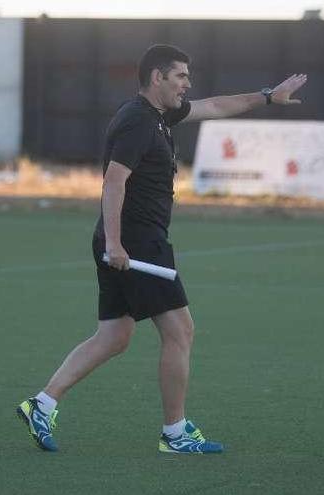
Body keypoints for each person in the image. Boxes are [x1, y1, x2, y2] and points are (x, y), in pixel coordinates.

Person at [16, 44, 307, 454]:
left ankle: (42, 404)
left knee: (115, 335)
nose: (187, 84)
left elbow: (216, 106)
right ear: (157, 78)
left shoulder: (160, 115)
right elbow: (114, 182)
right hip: (135, 241)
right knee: (180, 331)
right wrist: (116, 242)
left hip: (129, 238)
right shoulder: (137, 120)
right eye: (180, 77)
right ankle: (175, 433)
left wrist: (266, 96)